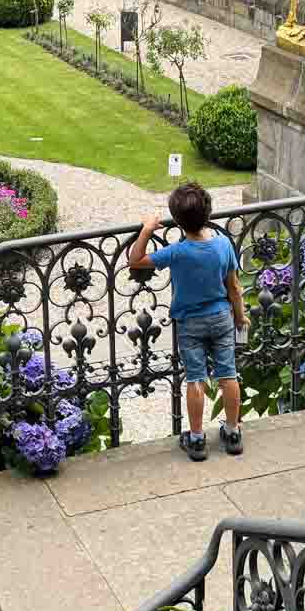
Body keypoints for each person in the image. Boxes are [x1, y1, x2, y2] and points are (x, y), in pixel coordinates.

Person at [128, 181, 247, 461]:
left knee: (195, 377)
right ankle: (232, 431)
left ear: (178, 221)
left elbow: (136, 260)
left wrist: (146, 229)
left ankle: (196, 439)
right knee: (227, 374)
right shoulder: (222, 244)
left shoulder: (177, 252)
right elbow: (234, 287)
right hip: (221, 317)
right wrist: (240, 317)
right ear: (208, 214)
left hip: (190, 322)